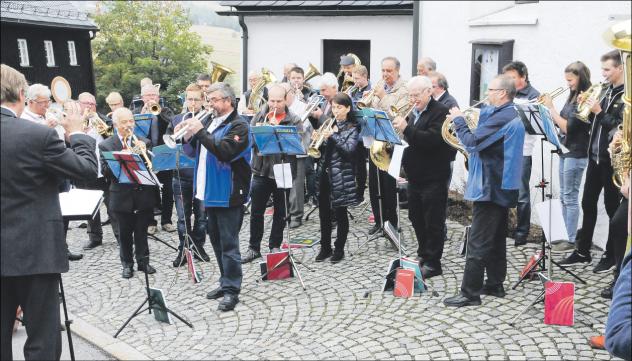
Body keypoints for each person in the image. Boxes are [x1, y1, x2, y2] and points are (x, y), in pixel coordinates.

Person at [1, 64, 98, 360]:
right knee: (42, 339)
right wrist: (78, 133)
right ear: (21, 93)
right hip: (36, 252)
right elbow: (87, 169)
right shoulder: (36, 136)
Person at [443, 75, 525, 307]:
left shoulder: (503, 116)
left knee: (477, 241)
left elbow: (471, 142)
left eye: (490, 90)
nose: (486, 93)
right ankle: (495, 284)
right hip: (502, 183)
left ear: (502, 93)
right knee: (497, 237)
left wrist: (459, 120)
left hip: (490, 185)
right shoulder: (508, 112)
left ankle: (470, 293)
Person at [177, 82, 252, 312]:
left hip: (228, 192)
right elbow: (194, 151)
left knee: (229, 244)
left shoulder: (239, 126)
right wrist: (188, 134)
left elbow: (224, 151)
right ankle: (224, 281)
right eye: (209, 100)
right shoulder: (210, 120)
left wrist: (200, 131)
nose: (210, 104)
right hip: (208, 191)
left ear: (228, 101)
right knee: (216, 241)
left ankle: (232, 290)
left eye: (215, 100)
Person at [559, 50, 625, 273]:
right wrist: (584, 105)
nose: (603, 74)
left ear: (620, 68)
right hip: (594, 157)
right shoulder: (605, 90)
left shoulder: (625, 96)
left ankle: (611, 254)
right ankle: (582, 251)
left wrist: (598, 110)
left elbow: (618, 126)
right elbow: (588, 120)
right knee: (587, 203)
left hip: (611, 161)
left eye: (607, 69)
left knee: (612, 208)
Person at [392, 76, 455, 278]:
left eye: (416, 95)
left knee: (433, 220)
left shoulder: (441, 112)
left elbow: (431, 140)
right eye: (410, 95)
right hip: (415, 175)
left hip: (434, 175)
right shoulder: (413, 113)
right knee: (416, 216)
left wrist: (406, 128)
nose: (413, 99)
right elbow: (411, 140)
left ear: (429, 92)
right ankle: (423, 253)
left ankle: (434, 263)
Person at [241, 84, 303, 264]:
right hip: (261, 170)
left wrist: (277, 131)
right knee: (256, 212)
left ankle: (275, 245)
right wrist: (264, 130)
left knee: (281, 212)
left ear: (286, 100)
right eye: (272, 101)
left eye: (279, 101)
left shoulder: (294, 119)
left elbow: (297, 144)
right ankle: (253, 248)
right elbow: (250, 140)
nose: (274, 105)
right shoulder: (260, 115)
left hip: (283, 169)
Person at [100, 108, 157, 279]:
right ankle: (127, 264)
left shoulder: (143, 141)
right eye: (124, 122)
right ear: (116, 124)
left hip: (142, 195)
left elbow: (151, 167)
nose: (128, 125)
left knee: (141, 231)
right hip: (121, 195)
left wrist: (144, 153)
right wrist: (121, 158)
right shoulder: (106, 145)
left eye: (131, 121)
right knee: (124, 234)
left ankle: (143, 261)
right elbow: (105, 172)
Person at [541, 61, 591, 252]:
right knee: (564, 196)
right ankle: (562, 236)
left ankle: (570, 239)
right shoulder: (572, 97)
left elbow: (568, 127)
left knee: (570, 197)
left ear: (580, 78)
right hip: (566, 150)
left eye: (570, 80)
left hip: (577, 153)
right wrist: (546, 114)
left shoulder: (584, 99)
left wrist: (551, 108)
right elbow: (561, 123)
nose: (568, 83)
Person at [167, 84, 210, 267]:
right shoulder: (177, 119)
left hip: (201, 175)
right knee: (183, 217)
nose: (192, 103)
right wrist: (179, 135)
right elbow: (168, 143)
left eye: (196, 99)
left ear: (202, 100)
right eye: (189, 99)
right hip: (180, 175)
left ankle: (199, 246)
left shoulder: (207, 119)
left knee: (201, 216)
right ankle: (183, 249)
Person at [313, 93, 360, 263]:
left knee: (340, 214)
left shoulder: (353, 128)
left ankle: (339, 249)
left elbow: (349, 151)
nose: (336, 110)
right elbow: (321, 153)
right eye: (333, 107)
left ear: (348, 108)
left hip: (341, 175)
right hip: (324, 174)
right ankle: (325, 248)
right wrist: (318, 139)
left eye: (339, 107)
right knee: (324, 214)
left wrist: (332, 136)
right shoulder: (329, 124)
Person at [366, 56, 409, 235]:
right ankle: (378, 220)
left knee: (389, 186)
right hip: (377, 140)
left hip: (393, 143)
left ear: (397, 71)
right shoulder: (379, 86)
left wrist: (383, 97)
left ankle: (391, 222)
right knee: (374, 185)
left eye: (389, 71)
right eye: (383, 70)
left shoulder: (404, 90)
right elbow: (372, 110)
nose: (385, 74)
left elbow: (398, 114)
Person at [502, 61, 540, 246]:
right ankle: (502, 228)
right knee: (501, 190)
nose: (509, 81)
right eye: (507, 78)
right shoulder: (506, 93)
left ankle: (522, 232)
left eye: (513, 78)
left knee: (522, 194)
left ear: (523, 77)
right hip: (503, 149)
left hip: (523, 150)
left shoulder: (533, 96)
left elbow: (532, 126)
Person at [135, 84, 176, 235]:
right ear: (142, 97)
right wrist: (142, 115)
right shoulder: (136, 113)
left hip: (163, 153)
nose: (151, 98)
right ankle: (151, 222)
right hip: (145, 154)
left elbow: (172, 123)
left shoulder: (166, 111)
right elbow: (134, 132)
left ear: (158, 97)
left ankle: (167, 220)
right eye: (148, 96)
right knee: (148, 190)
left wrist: (158, 112)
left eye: (154, 95)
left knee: (167, 189)